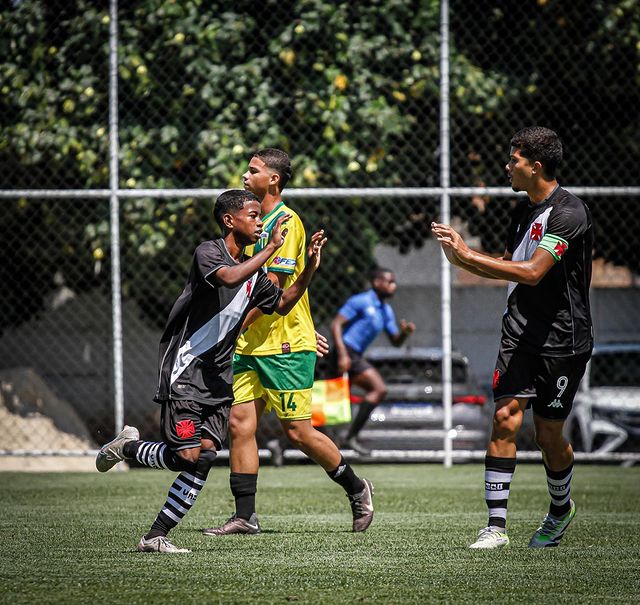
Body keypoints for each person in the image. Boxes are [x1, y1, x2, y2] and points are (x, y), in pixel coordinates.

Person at [95, 188, 327, 553]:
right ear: (229, 220)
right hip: (187, 373)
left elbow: (282, 303)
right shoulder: (209, 253)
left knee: (203, 456)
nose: (260, 222)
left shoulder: (255, 272)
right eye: (253, 216)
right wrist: (270, 249)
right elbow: (230, 278)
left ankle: (155, 536)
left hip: (219, 379)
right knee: (186, 456)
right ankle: (128, 448)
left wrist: (310, 265)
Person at [431, 126, 593, 549]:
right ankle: (496, 527)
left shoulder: (569, 212)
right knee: (504, 417)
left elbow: (533, 272)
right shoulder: (521, 211)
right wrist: (460, 260)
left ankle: (560, 509)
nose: (507, 166)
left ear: (535, 166)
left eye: (514, 159)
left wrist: (468, 255)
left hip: (562, 339)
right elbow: (508, 265)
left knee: (547, 436)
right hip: (519, 331)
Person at [203, 148, 374, 537]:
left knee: (297, 432)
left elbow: (273, 292)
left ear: (274, 180)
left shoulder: (287, 222)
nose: (245, 176)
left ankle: (356, 487)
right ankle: (245, 515)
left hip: (285, 346)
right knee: (239, 424)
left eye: (253, 171)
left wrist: (231, 329)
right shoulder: (250, 224)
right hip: (249, 345)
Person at [330, 268, 416, 455]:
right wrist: (342, 355)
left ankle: (347, 438)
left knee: (329, 404)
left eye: (394, 282)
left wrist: (404, 333)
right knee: (376, 389)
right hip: (345, 351)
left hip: (355, 355)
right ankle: (348, 438)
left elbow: (395, 342)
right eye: (389, 282)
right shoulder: (360, 301)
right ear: (377, 282)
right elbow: (336, 324)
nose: (393, 286)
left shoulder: (386, 310)